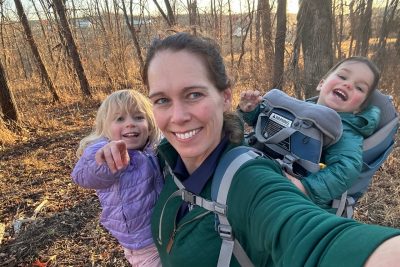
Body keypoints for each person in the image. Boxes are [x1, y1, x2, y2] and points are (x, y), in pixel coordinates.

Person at [97, 33, 400, 266]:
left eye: (193, 94)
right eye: (162, 99)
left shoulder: (248, 181)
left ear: (224, 97)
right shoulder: (165, 156)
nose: (177, 117)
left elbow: (314, 237)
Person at [238, 56, 381, 212]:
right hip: (264, 169)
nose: (347, 84)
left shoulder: (346, 132)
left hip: (294, 197)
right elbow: (270, 129)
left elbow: (345, 169)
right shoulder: (303, 108)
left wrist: (306, 187)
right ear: (321, 84)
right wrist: (252, 112)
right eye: (342, 76)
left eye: (359, 88)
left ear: (359, 108)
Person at [71, 89, 163, 267]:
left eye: (138, 117)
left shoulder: (152, 148)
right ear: (106, 128)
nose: (130, 124)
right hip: (143, 244)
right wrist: (105, 160)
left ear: (150, 124)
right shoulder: (105, 152)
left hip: (164, 232)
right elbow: (82, 176)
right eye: (120, 119)